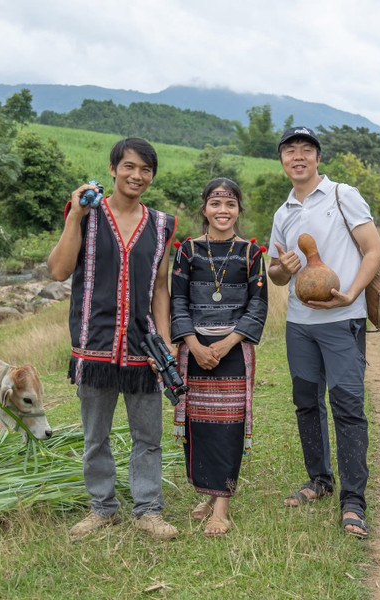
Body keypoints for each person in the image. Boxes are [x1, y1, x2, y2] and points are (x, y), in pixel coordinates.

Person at [48, 138, 179, 541]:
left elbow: (160, 286)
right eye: (129, 167)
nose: (137, 176)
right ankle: (102, 508)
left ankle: (148, 510)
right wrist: (74, 217)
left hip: (143, 346)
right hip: (94, 342)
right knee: (95, 436)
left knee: (148, 436)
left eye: (145, 170)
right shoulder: (87, 213)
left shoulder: (161, 225)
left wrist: (167, 341)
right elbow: (58, 271)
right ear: (112, 169)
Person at [267, 126, 380, 538]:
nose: (297, 156)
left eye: (306, 149)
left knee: (348, 406)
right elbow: (276, 275)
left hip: (341, 319)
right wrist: (286, 268)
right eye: (290, 150)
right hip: (300, 324)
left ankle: (353, 500)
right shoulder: (283, 214)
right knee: (306, 402)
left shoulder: (342, 195)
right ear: (282, 160)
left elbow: (375, 250)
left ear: (317, 158)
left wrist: (351, 293)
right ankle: (319, 479)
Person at [170, 178, 268, 537]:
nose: (222, 211)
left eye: (229, 204)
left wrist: (227, 343)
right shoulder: (187, 251)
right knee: (199, 424)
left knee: (228, 426)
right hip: (194, 350)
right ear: (204, 209)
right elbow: (178, 300)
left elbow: (258, 305)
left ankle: (222, 507)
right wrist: (193, 344)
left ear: (239, 209)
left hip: (233, 351)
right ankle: (209, 494)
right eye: (215, 204)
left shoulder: (251, 253)